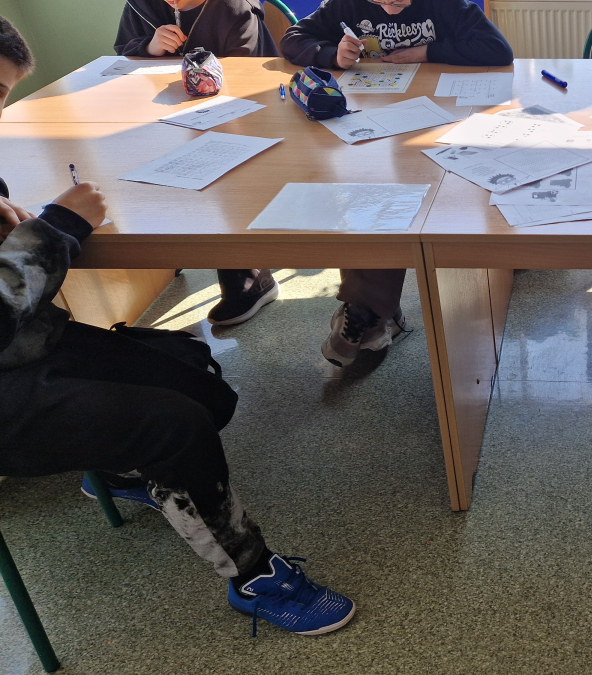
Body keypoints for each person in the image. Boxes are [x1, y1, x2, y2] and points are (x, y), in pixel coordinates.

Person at [0, 16, 354, 636]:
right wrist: (56, 229)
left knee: (198, 380)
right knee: (175, 426)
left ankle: (118, 468)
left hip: (28, 347)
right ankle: (253, 577)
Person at [280, 0, 513, 366]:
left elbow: (498, 50)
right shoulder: (347, 4)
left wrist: (428, 51)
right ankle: (370, 309)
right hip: (370, 125)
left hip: (435, 126)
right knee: (363, 189)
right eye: (381, 0)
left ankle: (369, 309)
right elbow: (292, 39)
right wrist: (331, 54)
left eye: (399, 0)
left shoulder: (447, 5)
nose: (389, 8)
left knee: (423, 196)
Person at [116, 0, 282, 326]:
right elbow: (122, 55)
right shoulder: (138, 5)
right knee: (132, 158)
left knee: (219, 167)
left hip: (231, 117)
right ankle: (169, 250)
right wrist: (148, 47)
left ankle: (244, 272)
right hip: (160, 115)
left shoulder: (234, 8)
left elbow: (250, 78)